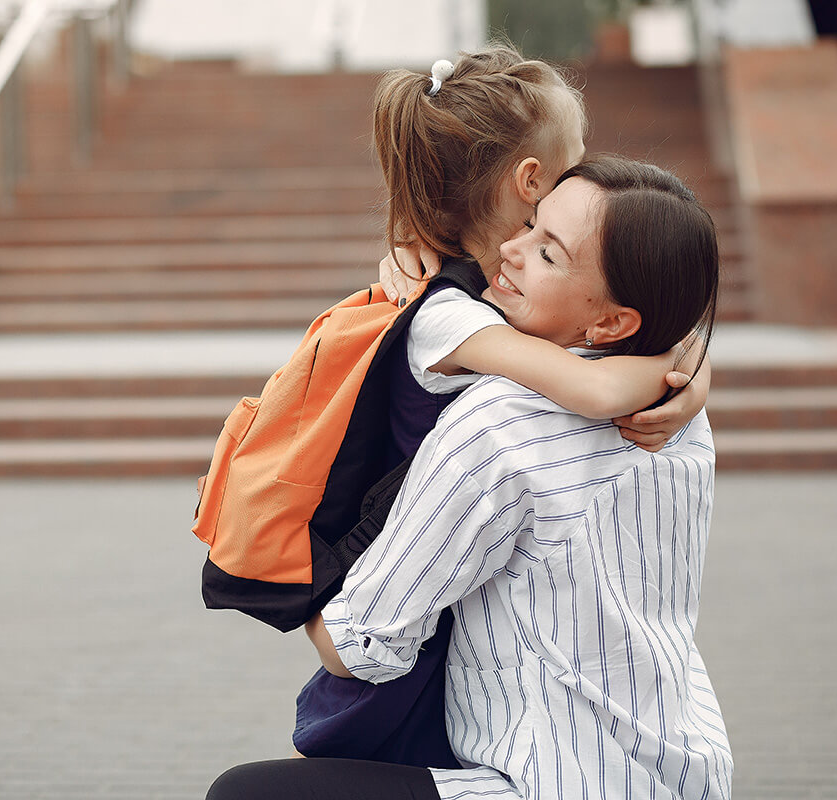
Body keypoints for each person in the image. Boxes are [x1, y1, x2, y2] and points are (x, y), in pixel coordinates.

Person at [209, 155, 732, 799]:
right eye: (532, 223)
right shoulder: (676, 409)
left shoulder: (498, 423)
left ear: (612, 323)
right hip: (684, 770)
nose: (510, 248)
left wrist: (284, 576)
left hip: (547, 784)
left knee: (247, 796)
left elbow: (362, 646)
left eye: (548, 254)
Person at [289, 48, 710, 767]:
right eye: (577, 157)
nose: (589, 166)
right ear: (531, 179)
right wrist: (680, 374)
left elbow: (616, 331)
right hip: (403, 588)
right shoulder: (447, 311)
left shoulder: (496, 293)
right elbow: (598, 387)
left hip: (449, 588)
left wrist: (688, 363)